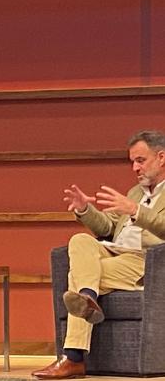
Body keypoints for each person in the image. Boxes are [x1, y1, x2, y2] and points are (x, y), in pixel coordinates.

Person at [32, 130, 165, 379]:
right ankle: (88, 296)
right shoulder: (136, 192)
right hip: (114, 253)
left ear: (161, 157)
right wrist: (85, 209)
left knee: (77, 276)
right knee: (80, 240)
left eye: (140, 160)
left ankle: (73, 357)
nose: (135, 168)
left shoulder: (142, 199)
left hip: (146, 260)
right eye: (132, 162)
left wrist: (136, 211)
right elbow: (107, 227)